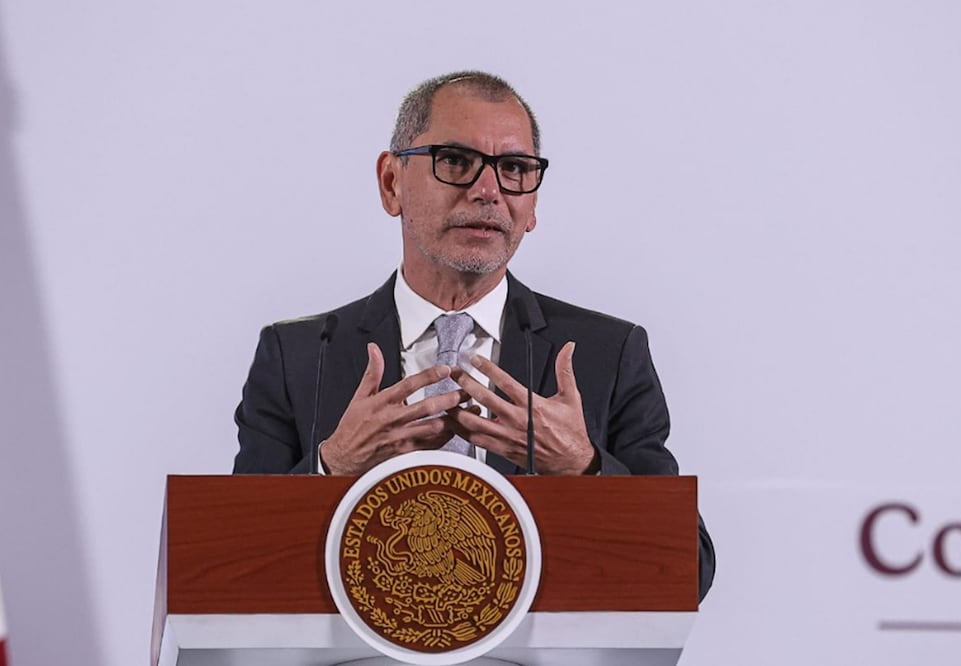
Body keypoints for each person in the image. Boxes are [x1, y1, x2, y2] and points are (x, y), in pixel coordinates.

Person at [233, 71, 715, 600]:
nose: (488, 191)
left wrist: (585, 469)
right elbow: (233, 571)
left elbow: (688, 573)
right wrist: (332, 468)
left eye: (513, 168)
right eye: (456, 162)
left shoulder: (609, 354)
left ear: (532, 205)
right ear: (392, 183)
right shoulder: (298, 357)